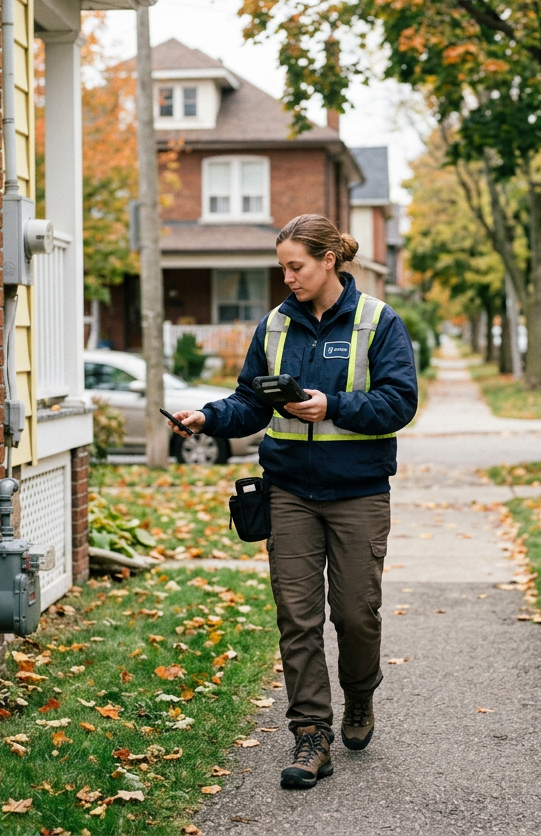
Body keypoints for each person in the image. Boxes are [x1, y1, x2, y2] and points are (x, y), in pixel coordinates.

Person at [167, 213, 419, 790]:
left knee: (355, 614)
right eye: (282, 267)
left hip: (358, 492)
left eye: (295, 266)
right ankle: (311, 734)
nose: (287, 277)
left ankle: (360, 695)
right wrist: (208, 417)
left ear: (329, 261)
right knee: (297, 618)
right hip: (288, 494)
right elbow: (250, 403)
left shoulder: (378, 322)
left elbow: (399, 403)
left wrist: (332, 406)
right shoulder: (275, 326)